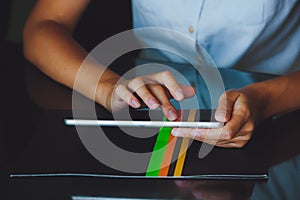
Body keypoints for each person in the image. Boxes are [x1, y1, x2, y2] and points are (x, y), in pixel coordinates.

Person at [23, 0, 300, 148]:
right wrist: (108, 88)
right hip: (154, 122)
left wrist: (266, 98)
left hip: (280, 126)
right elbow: (46, 24)